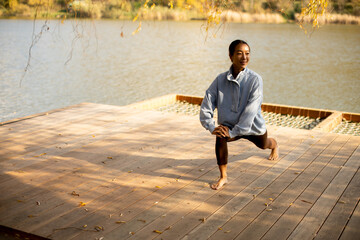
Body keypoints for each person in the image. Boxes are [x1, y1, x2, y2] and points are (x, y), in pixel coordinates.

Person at [200, 39, 279, 190]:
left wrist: (234, 132)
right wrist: (211, 126)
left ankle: (275, 144)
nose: (244, 57)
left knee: (264, 145)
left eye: (247, 53)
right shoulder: (220, 80)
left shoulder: (255, 79)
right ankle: (223, 177)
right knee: (220, 134)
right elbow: (207, 102)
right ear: (230, 56)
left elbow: (252, 110)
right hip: (229, 126)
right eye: (239, 53)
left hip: (252, 127)